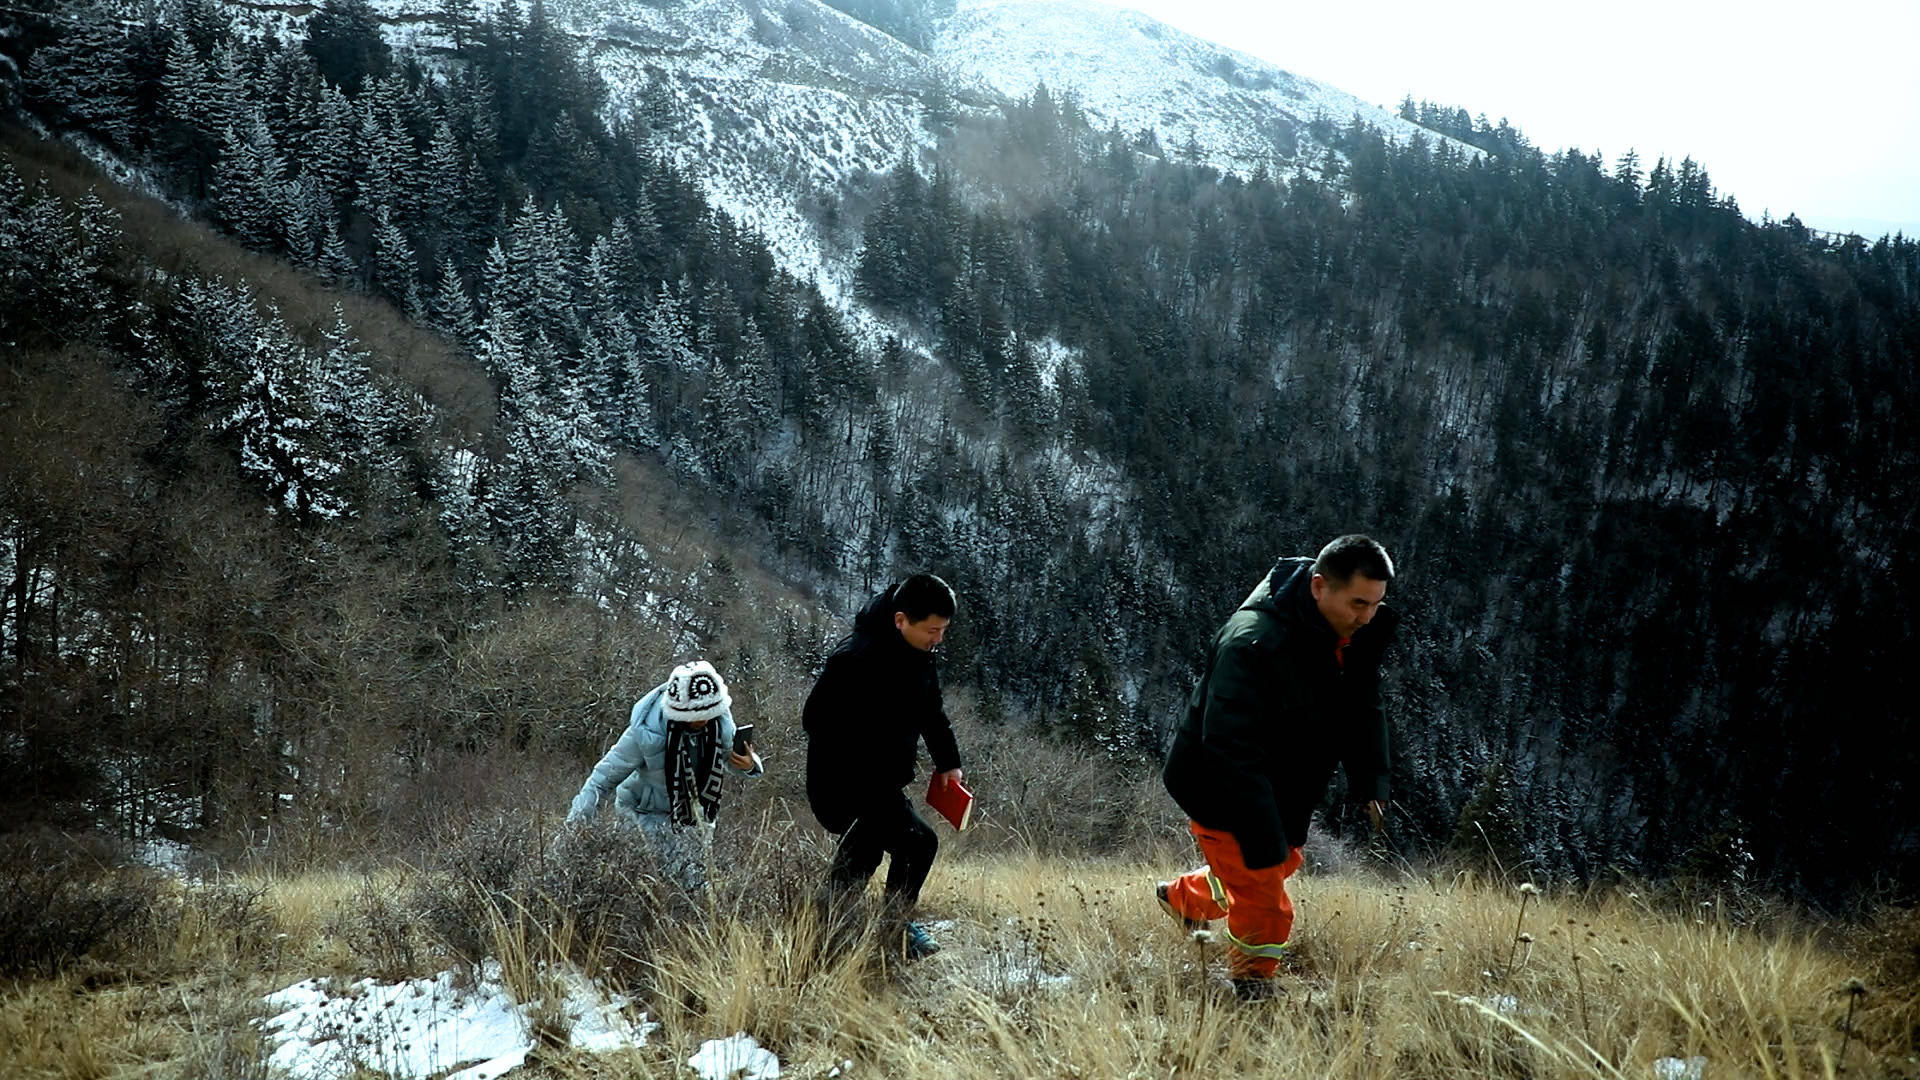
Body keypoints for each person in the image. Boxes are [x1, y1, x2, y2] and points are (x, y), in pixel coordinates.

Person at [1154, 535, 1400, 1000]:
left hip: (1282, 782)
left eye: (1375, 604)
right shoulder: (1252, 642)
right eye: (1358, 603)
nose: (1367, 617)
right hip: (1219, 785)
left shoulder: (1346, 639)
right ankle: (1251, 986)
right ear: (1319, 587)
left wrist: (1371, 779)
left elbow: (1362, 706)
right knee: (1264, 893)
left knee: (1278, 862)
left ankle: (1182, 899)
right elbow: (1228, 747)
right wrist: (1262, 833)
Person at [803, 573, 965, 959]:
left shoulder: (921, 658)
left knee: (865, 850)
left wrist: (948, 763)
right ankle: (886, 932)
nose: (938, 639)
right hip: (840, 784)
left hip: (881, 785)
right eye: (932, 630)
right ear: (900, 620)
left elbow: (933, 713)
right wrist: (864, 744)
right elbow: (814, 719)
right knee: (917, 842)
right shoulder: (853, 661)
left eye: (943, 630)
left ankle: (827, 930)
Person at [567, 660, 763, 889]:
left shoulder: (719, 724)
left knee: (694, 892)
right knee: (666, 889)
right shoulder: (646, 733)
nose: (704, 720)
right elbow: (601, 781)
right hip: (643, 817)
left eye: (710, 713)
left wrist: (749, 765)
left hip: (695, 820)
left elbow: (728, 759)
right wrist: (576, 826)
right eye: (697, 715)